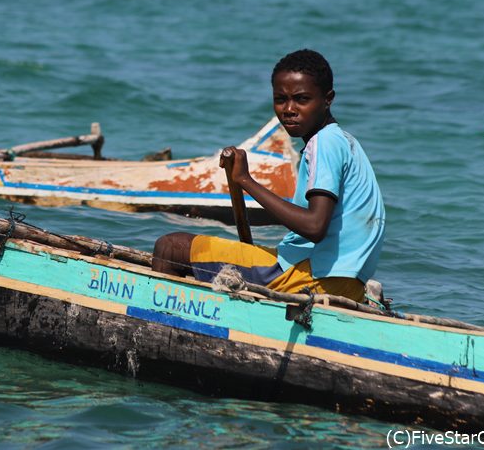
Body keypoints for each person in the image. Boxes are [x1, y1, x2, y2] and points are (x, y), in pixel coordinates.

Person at [152, 49, 385, 302]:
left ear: (327, 99)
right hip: (347, 282)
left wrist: (245, 180)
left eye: (302, 99)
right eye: (280, 99)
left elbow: (314, 226)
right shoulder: (344, 141)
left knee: (170, 247)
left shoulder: (324, 143)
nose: (288, 109)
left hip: (313, 278)